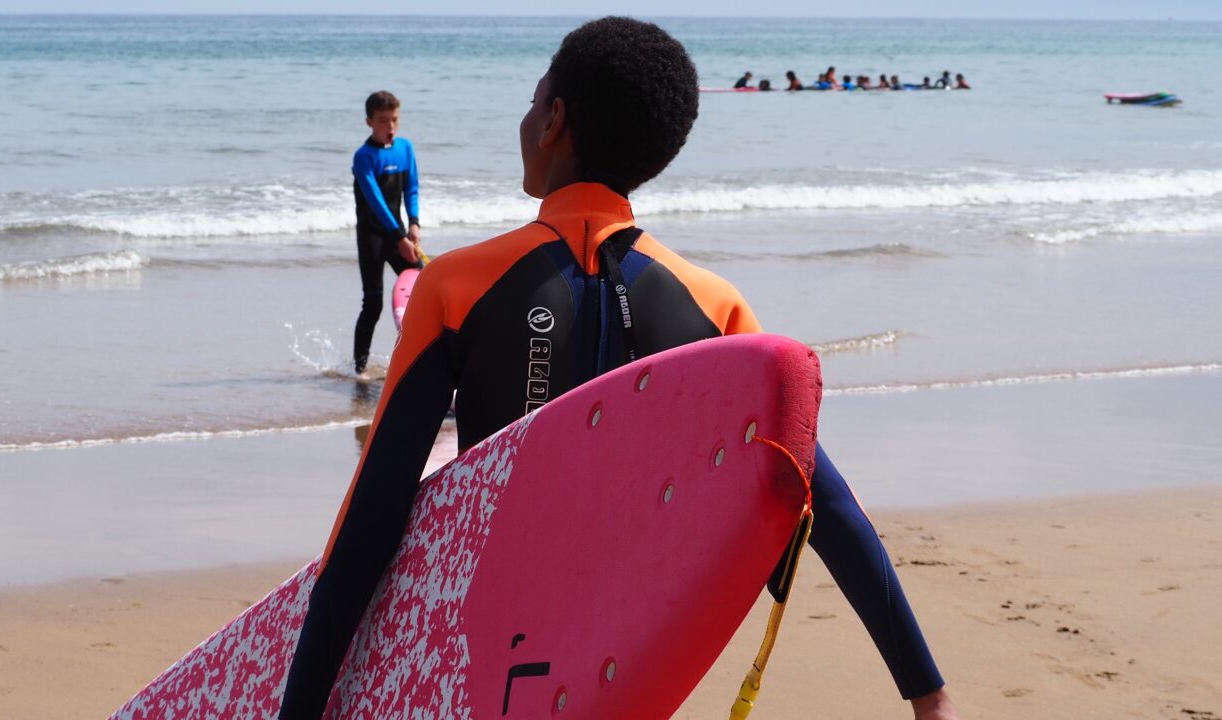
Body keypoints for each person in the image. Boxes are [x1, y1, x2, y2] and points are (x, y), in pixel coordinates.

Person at [278, 17, 961, 720]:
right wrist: (926, 691)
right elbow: (820, 502)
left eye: (533, 100)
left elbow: (374, 520)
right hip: (629, 651)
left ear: (554, 121)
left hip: (496, 645)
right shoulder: (714, 306)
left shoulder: (454, 288)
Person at [350, 90, 422, 375]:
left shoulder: (405, 148)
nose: (390, 126)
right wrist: (400, 238)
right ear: (369, 121)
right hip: (373, 239)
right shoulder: (363, 157)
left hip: (399, 236)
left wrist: (414, 224)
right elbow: (376, 203)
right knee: (374, 303)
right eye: (382, 120)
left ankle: (426, 363)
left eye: (394, 119)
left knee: (424, 290)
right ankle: (359, 370)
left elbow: (411, 188)